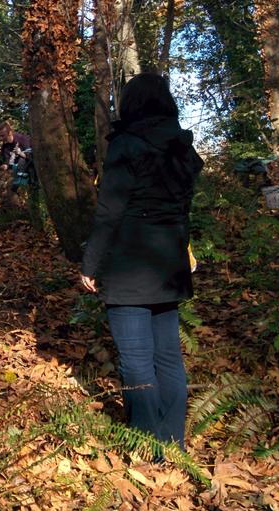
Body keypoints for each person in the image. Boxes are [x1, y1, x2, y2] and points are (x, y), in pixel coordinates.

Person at [80, 73, 204, 452]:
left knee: (136, 360)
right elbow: (182, 209)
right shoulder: (181, 147)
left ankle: (147, 443)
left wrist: (89, 264)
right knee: (168, 356)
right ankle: (172, 443)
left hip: (129, 265)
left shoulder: (126, 146)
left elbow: (109, 213)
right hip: (168, 263)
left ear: (131, 104)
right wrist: (184, 250)